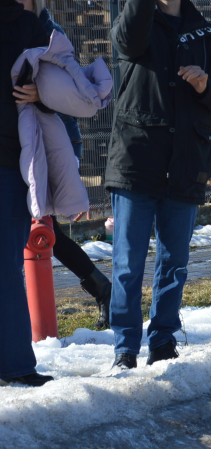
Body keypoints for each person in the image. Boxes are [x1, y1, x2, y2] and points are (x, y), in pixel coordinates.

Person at [105, 0, 211, 370]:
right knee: (127, 263)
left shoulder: (206, 34)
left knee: (174, 263)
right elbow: (125, 45)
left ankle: (163, 340)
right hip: (136, 163)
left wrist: (205, 85)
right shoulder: (136, 22)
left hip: (185, 166)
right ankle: (125, 346)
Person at [19, 0, 111, 330]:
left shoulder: (49, 31)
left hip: (54, 142)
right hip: (23, 143)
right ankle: (101, 287)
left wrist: (39, 97)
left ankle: (100, 289)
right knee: (42, 231)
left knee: (44, 231)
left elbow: (73, 95)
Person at [1, 0, 53, 386]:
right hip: (8, 159)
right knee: (6, 268)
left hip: (8, 160)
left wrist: (43, 94)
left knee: (6, 266)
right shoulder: (29, 25)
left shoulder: (30, 25)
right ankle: (16, 365)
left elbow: (65, 88)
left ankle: (17, 364)